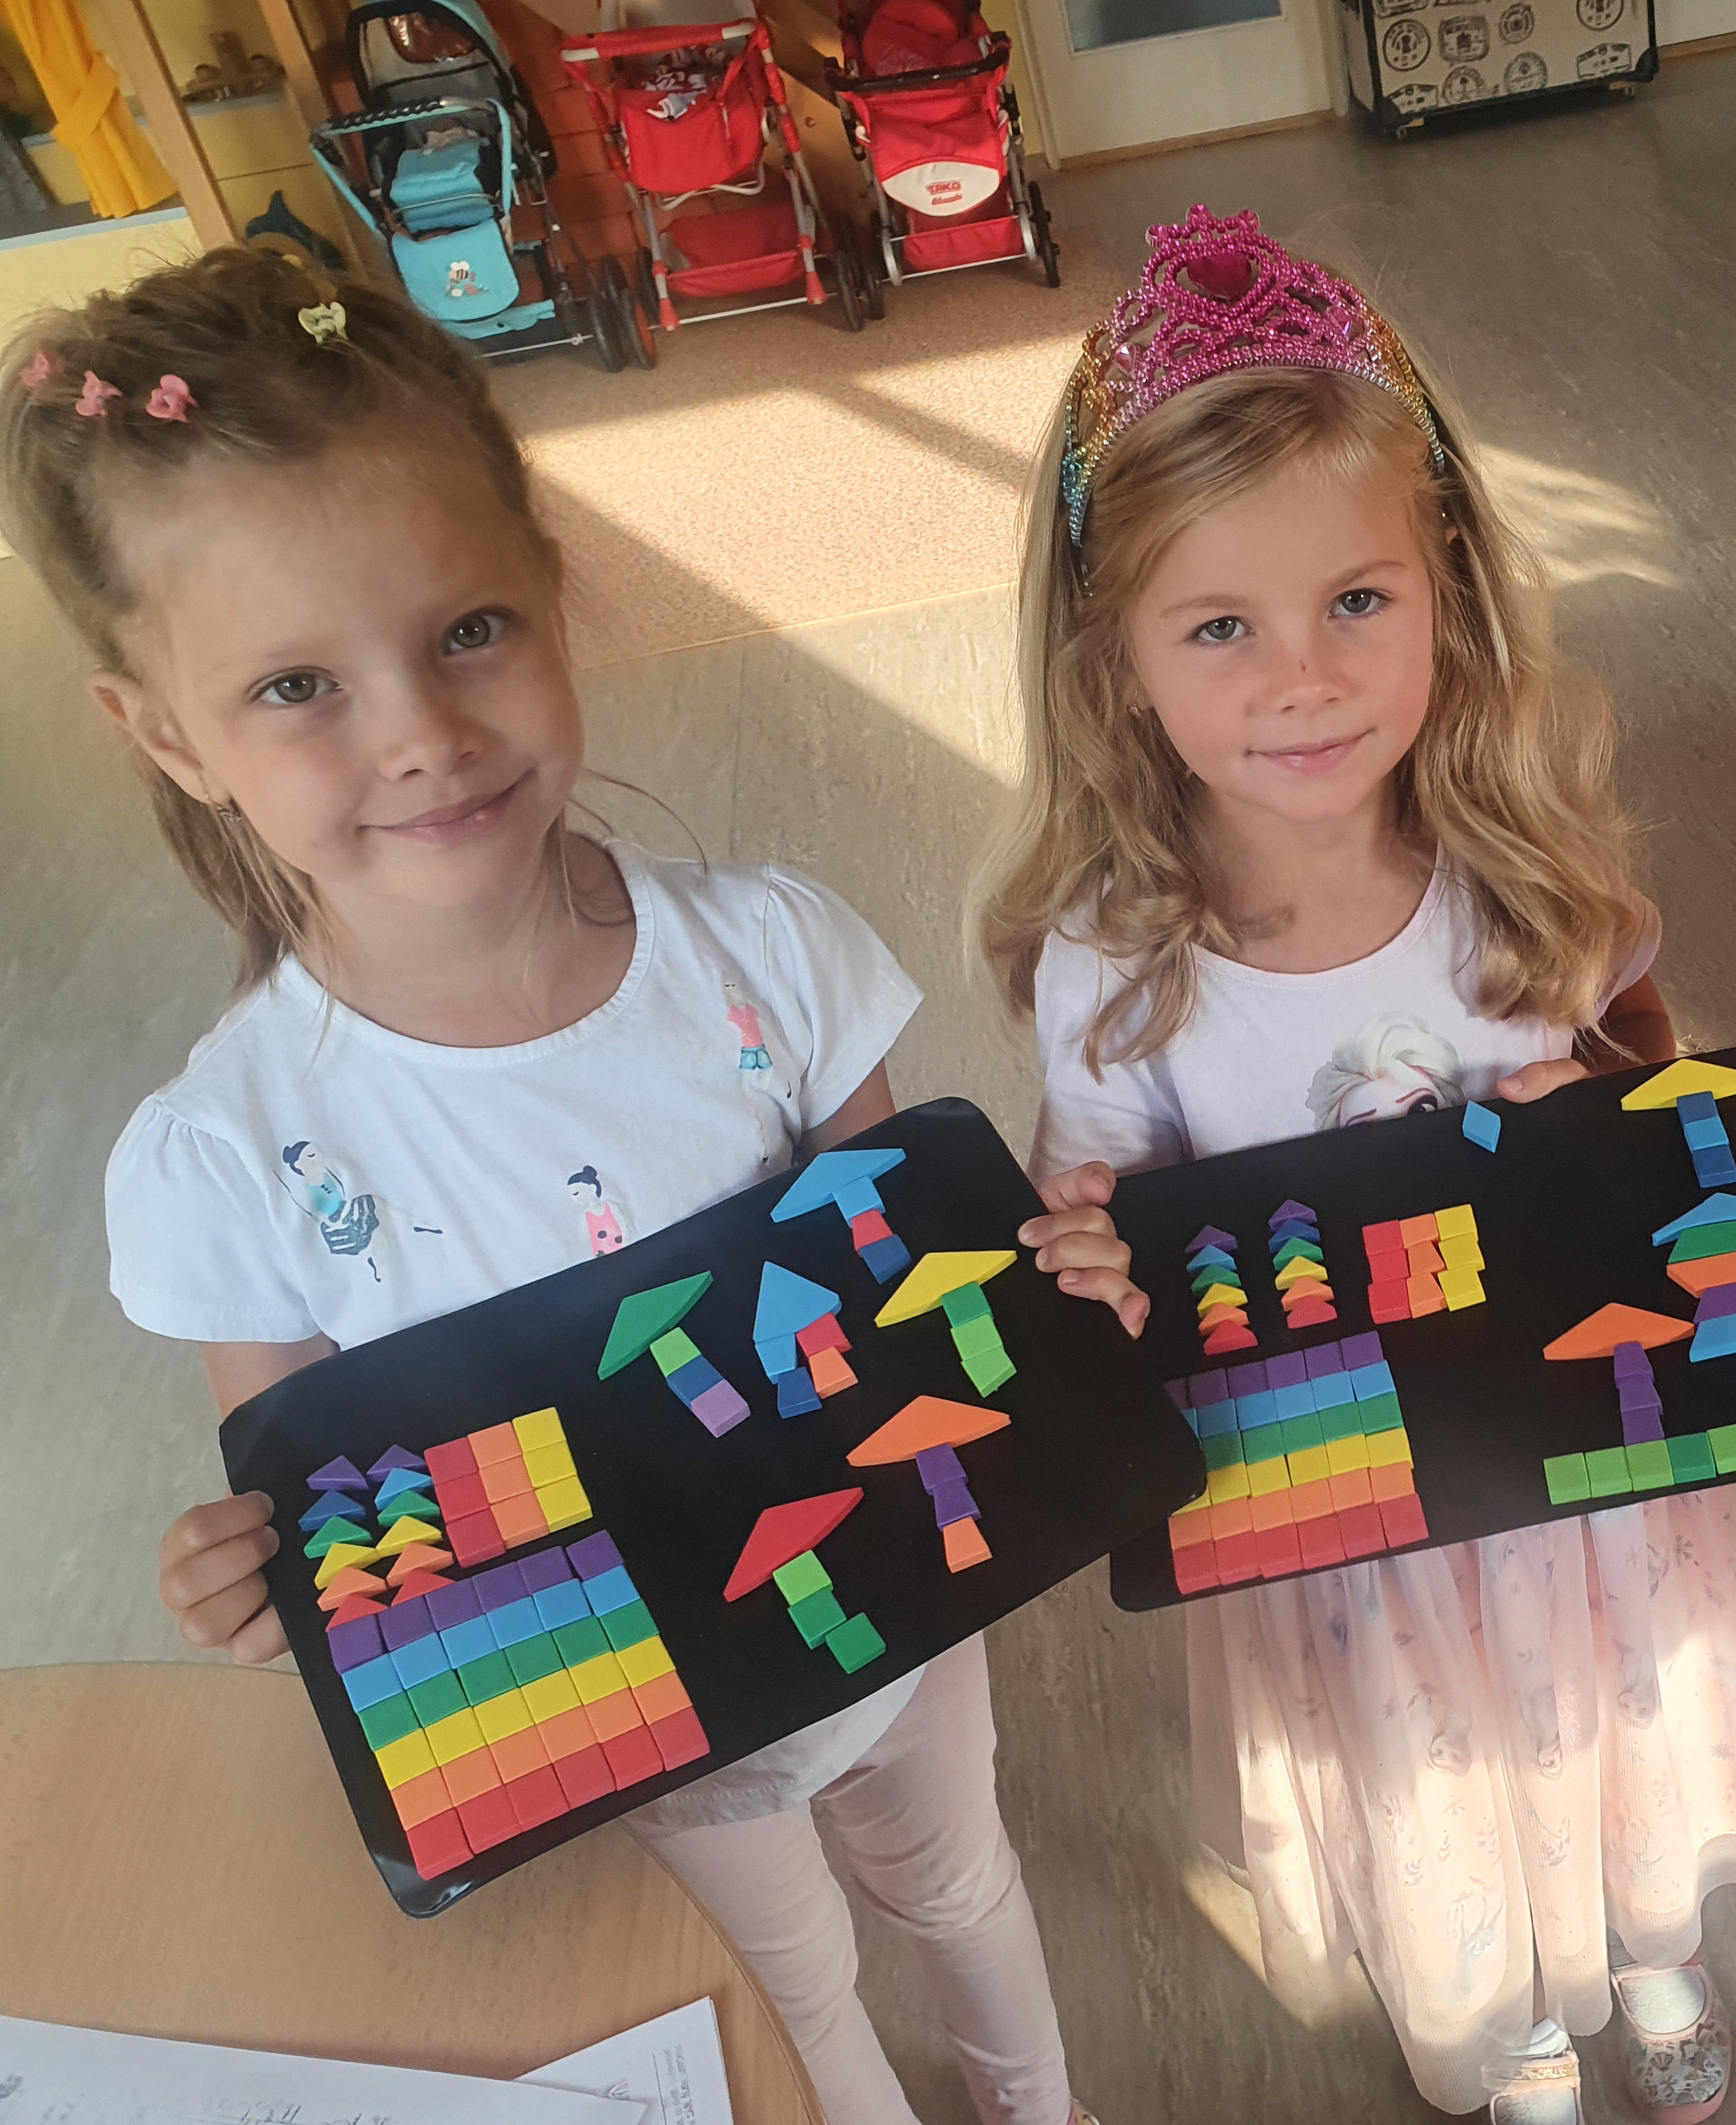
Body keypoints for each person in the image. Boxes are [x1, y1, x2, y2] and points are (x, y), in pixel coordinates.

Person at [3, 247, 1132, 2125]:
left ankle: (1044, 2105)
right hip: (649, 1717)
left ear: (550, 585)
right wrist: (273, 1583)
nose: (420, 736)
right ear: (168, 735)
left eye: (468, 630)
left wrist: (1041, 1278)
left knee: (958, 1883)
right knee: (787, 1992)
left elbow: (912, 1270)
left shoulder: (771, 960)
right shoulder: (230, 1167)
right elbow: (325, 1493)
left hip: (908, 1596)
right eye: (297, 685)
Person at [974, 204, 1736, 2125]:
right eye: (1221, 627)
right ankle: (1513, 2007)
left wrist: (1603, 1111)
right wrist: (1087, 1266)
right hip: (1343, 1492)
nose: (1302, 679)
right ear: (1119, 661)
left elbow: (1653, 1094)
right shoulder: (1118, 967)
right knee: (1437, 1766)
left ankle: (1644, 1938)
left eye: (1355, 602)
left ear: (1445, 583)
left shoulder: (1524, 871)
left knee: (1615, 1708)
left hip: (1580, 1464)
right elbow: (1087, 1217)